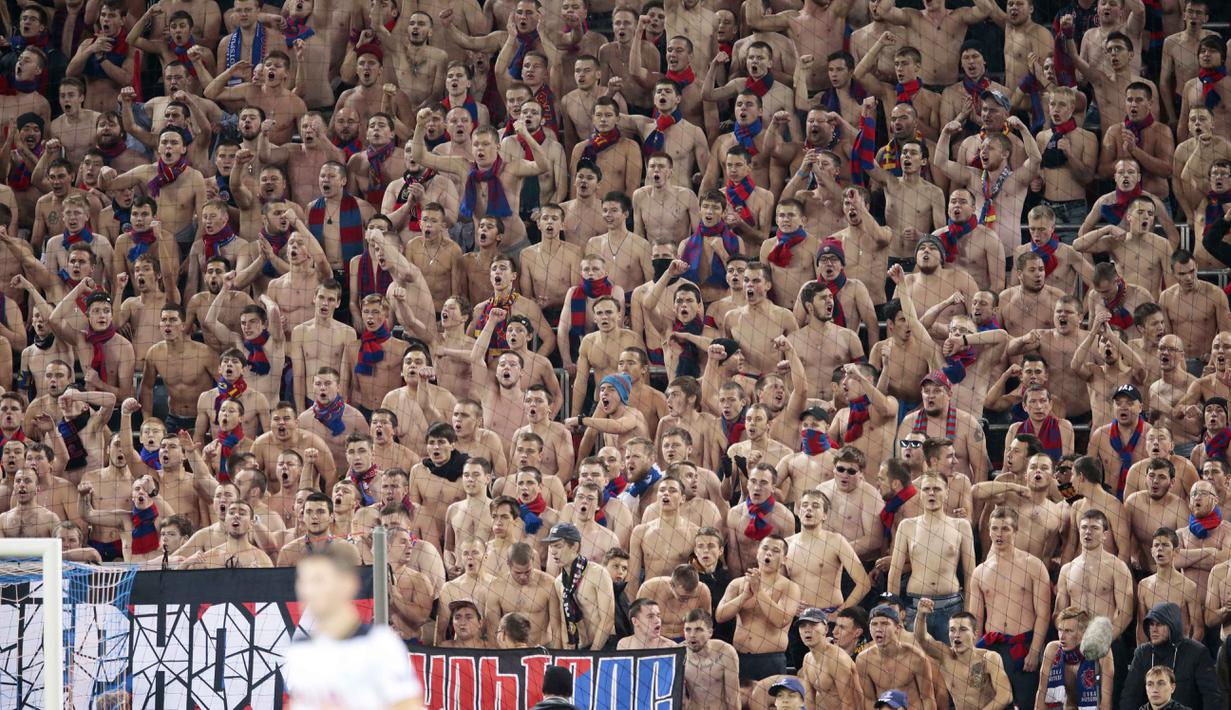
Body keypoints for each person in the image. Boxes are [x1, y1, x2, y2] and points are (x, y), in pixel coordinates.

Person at [284, 549, 423, 710]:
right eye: (302, 581)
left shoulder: (379, 644)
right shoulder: (299, 650)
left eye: (318, 580)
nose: (308, 590)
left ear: (348, 584)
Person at [1121, 602, 1223, 709]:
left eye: (1159, 624)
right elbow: (1129, 697)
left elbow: (1212, 697)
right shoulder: (1142, 653)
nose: (1154, 629)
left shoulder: (1197, 652)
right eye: (1151, 624)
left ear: (1172, 625)